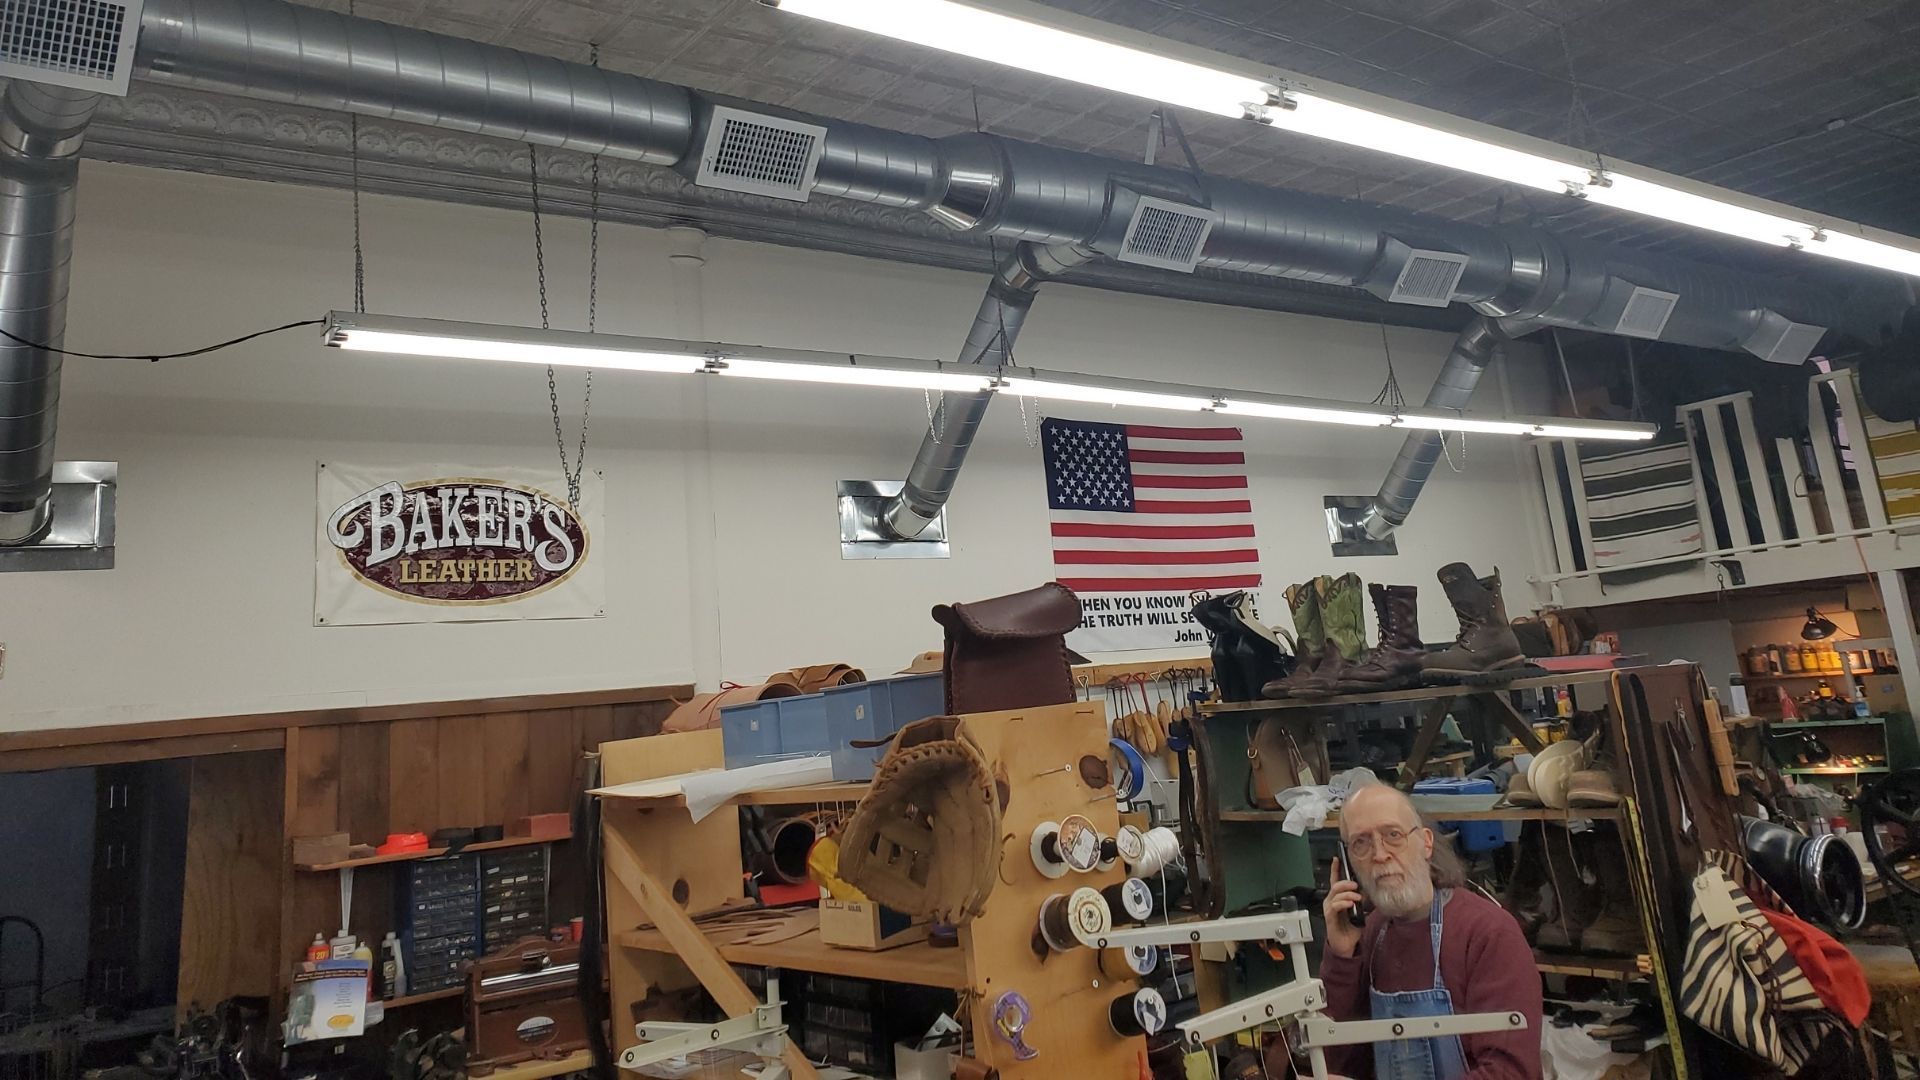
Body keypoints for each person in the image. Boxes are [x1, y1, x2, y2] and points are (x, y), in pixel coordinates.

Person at [1320, 783, 1543, 1080]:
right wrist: (1342, 959)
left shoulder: (1489, 932)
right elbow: (1343, 1062)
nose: (1380, 854)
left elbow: (1510, 1073)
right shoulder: (1373, 932)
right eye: (1361, 843)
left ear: (1425, 843)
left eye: (1393, 835)